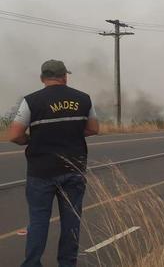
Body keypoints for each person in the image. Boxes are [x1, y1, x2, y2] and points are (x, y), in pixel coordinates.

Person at [8, 59, 99, 267]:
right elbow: (93, 128)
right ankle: (67, 263)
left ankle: (32, 263)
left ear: (42, 78)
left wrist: (33, 139)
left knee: (38, 221)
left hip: (41, 172)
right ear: (64, 77)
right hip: (73, 169)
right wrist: (72, 134)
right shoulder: (83, 99)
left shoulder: (31, 101)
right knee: (71, 221)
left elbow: (14, 135)